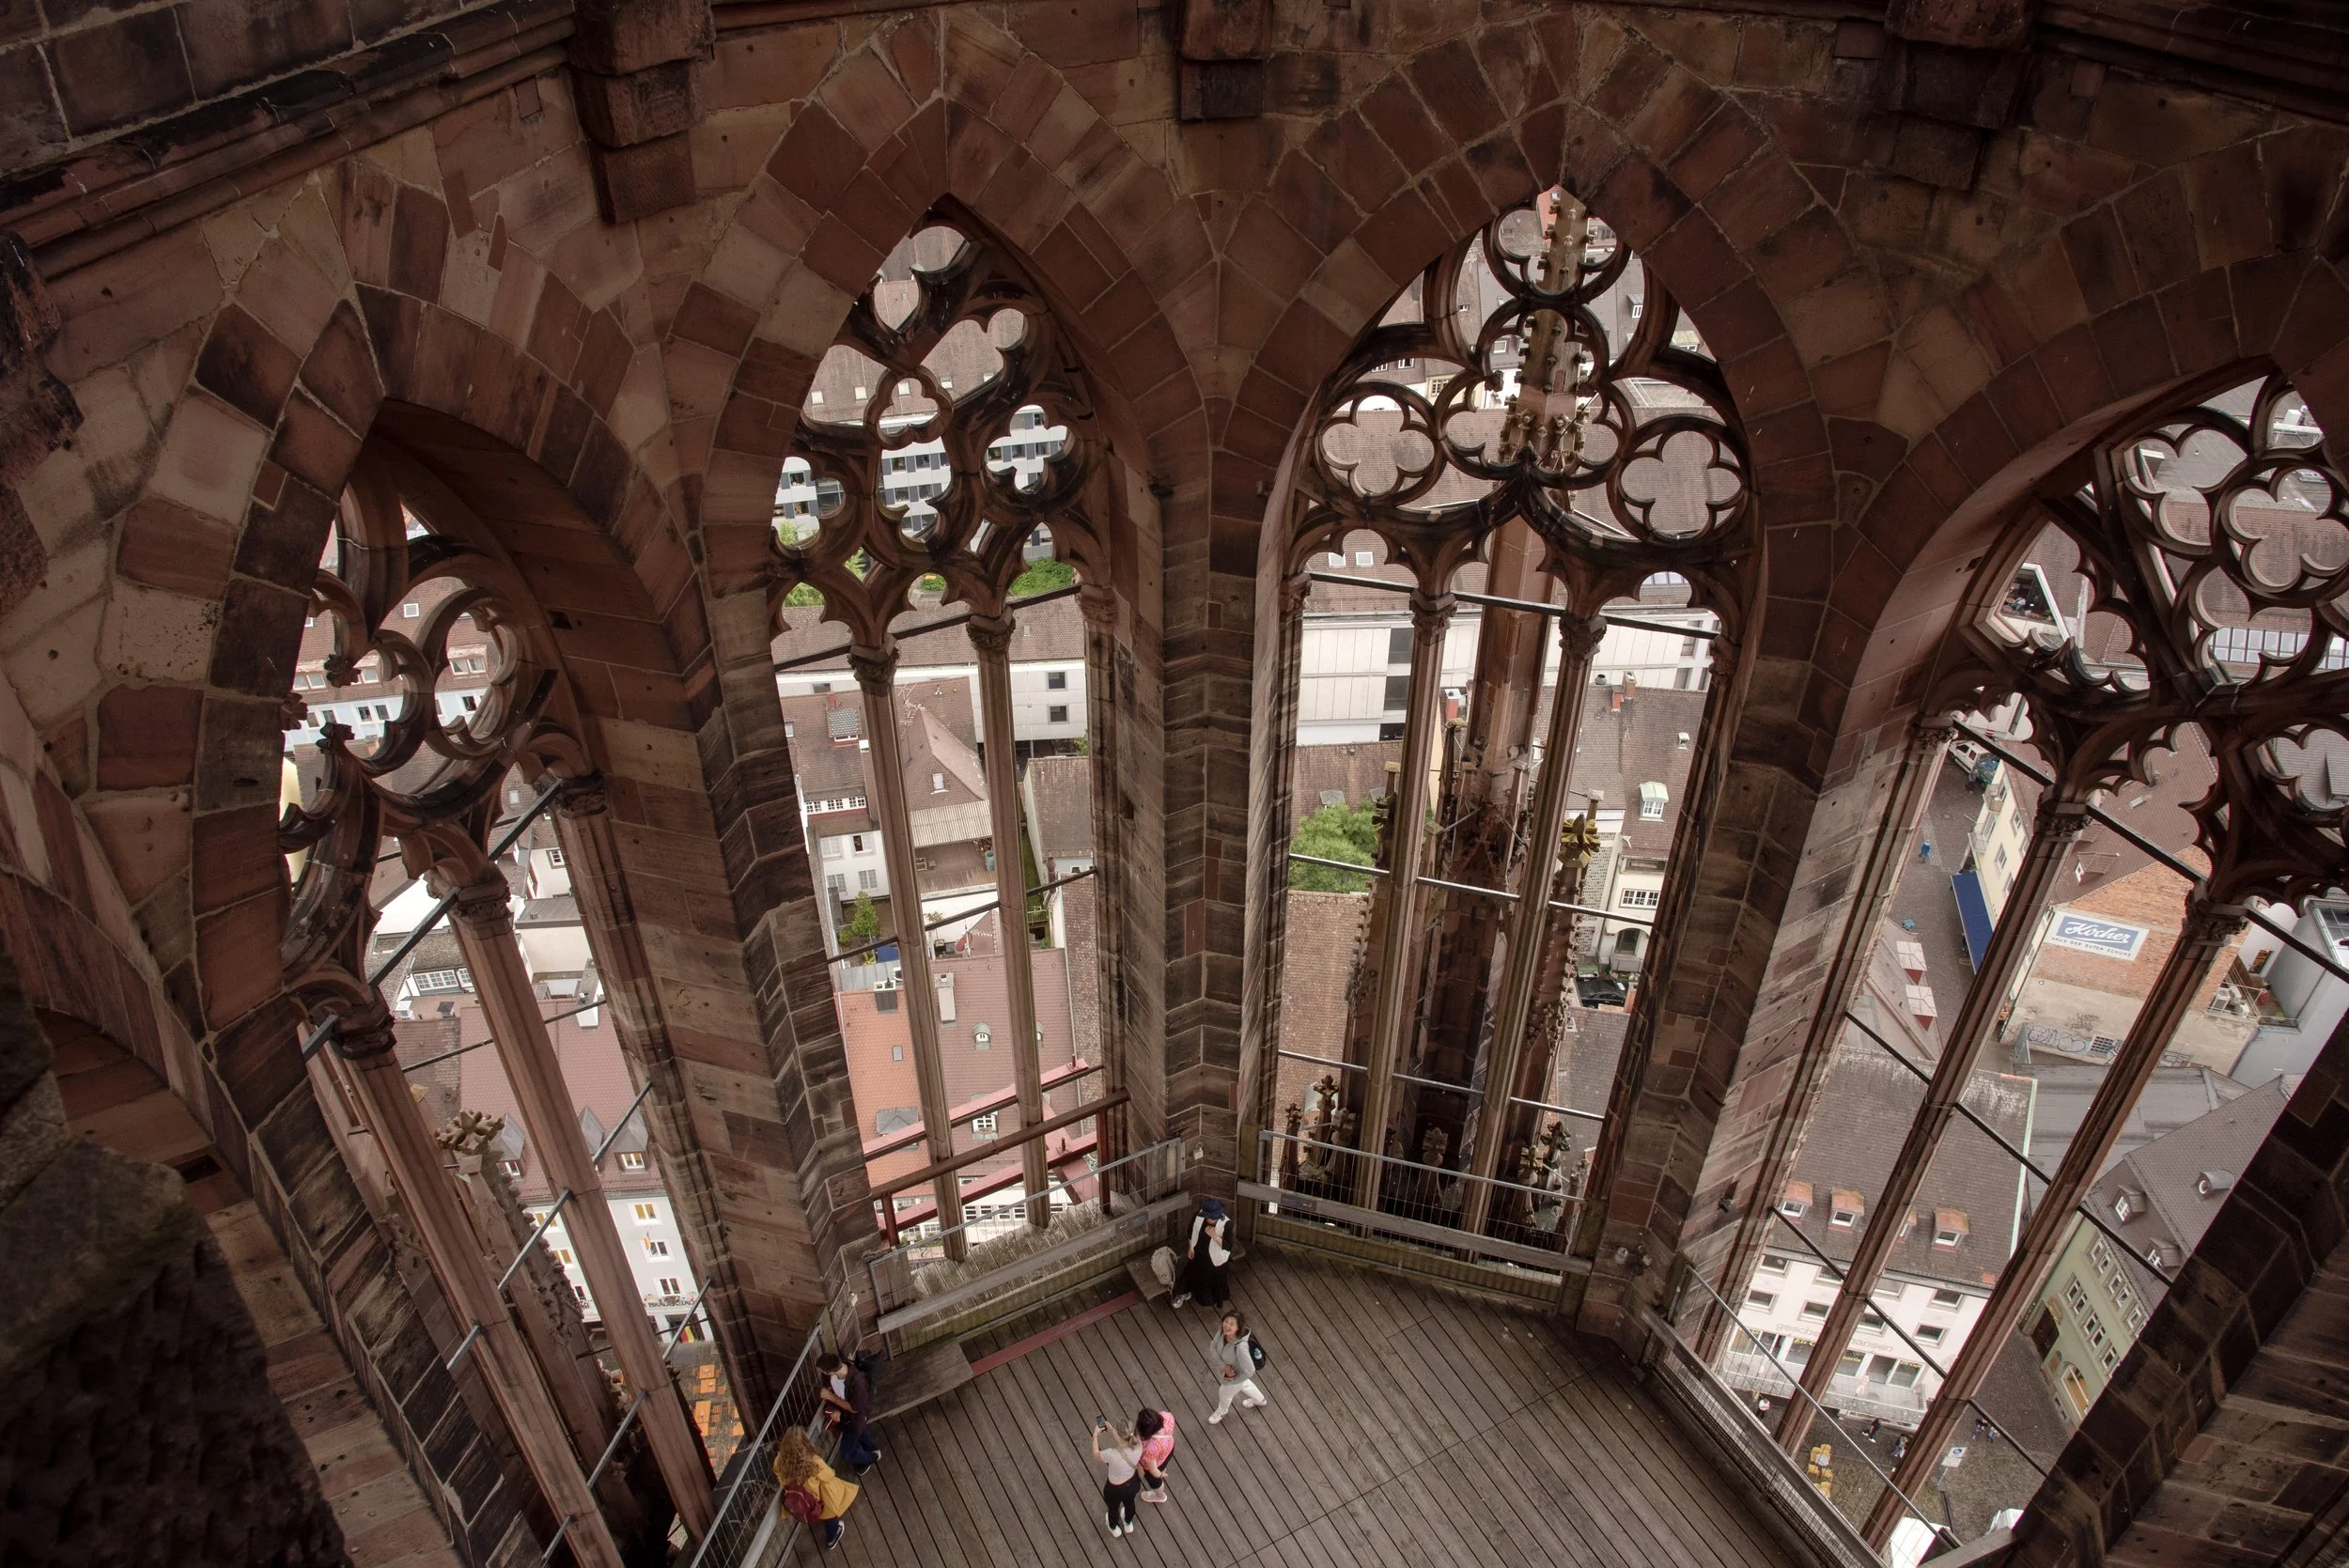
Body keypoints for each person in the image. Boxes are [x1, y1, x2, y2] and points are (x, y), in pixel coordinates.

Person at [773, 1425, 859, 1552]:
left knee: (821, 1515)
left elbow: (779, 1476)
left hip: (805, 1503)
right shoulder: (814, 1463)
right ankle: (832, 1538)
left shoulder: (779, 1463)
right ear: (804, 1444)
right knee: (831, 1517)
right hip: (822, 1500)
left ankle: (829, 1531)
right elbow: (830, 1475)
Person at [817, 1352, 880, 1472]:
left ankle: (872, 1457)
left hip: (854, 1420)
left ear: (829, 1372)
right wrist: (836, 1408)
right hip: (850, 1417)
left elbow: (854, 1408)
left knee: (847, 1454)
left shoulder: (858, 1384)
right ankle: (872, 1448)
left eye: (822, 1371)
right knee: (862, 1431)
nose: (821, 1373)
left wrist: (830, 1397)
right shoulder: (839, 1369)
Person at [1206, 1309, 1268, 1423]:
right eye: (1226, 1321)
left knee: (1224, 1393)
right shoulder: (1221, 1331)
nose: (1227, 1325)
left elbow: (1250, 1370)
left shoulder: (1241, 1348)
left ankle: (1222, 1411)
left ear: (1238, 1328)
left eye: (1232, 1324)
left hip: (1234, 1376)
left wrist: (1233, 1380)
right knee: (1244, 1383)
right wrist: (1223, 1365)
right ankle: (1260, 1400)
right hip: (1229, 1370)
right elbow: (1213, 1346)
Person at [1172, 1198, 1233, 1310]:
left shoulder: (1226, 1224)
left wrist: (1214, 1236)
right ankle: (1183, 1292)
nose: (1210, 1219)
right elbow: (1190, 1231)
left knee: (1206, 1300)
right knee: (1190, 1272)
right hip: (1198, 1254)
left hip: (1215, 1261)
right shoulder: (1199, 1215)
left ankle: (1204, 1292)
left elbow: (1228, 1247)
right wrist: (1190, 1247)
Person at [1092, 1416, 1144, 1537]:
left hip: (1114, 1489)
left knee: (1113, 1509)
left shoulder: (1112, 1454)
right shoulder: (1139, 1444)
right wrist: (1112, 1431)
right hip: (1133, 1484)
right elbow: (1125, 1441)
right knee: (1130, 1503)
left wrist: (1095, 1435)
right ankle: (1128, 1523)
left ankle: (1114, 1528)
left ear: (1120, 1436)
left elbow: (1095, 1454)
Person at [1137, 1407, 1176, 1503]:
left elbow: (1153, 1470)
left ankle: (1160, 1495)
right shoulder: (1166, 1416)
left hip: (1156, 1463)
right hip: (1168, 1450)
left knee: (1156, 1482)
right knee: (1163, 1465)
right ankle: (1163, 1469)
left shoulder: (1150, 1448)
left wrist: (1160, 1475)